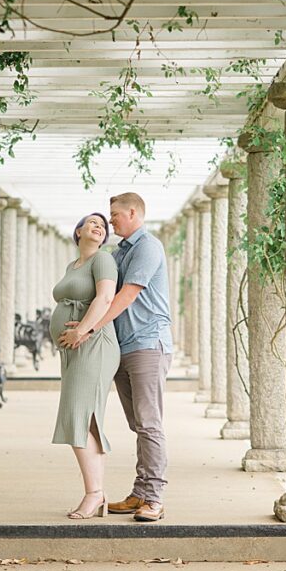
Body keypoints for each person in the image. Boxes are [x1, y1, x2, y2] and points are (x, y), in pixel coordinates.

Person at [59, 192, 173, 522]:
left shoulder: (148, 246)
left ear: (133, 212)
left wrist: (88, 329)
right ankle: (140, 492)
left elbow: (126, 295)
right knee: (139, 423)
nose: (111, 221)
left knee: (149, 423)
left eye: (114, 215)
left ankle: (153, 497)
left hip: (148, 344)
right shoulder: (119, 252)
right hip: (123, 347)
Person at [49, 212, 120, 519]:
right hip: (76, 350)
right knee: (87, 419)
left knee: (78, 417)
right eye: (92, 222)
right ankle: (98, 494)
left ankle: (93, 494)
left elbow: (105, 299)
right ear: (78, 231)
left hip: (94, 345)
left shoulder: (103, 260)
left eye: (103, 225)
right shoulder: (73, 265)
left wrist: (82, 331)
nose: (99, 226)